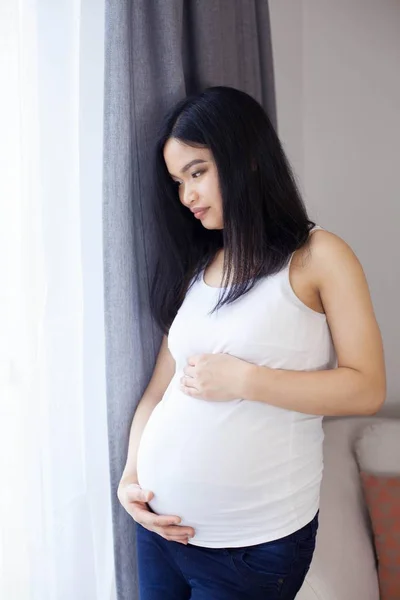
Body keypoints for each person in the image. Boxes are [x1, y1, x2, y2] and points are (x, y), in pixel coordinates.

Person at [117, 86, 386, 600]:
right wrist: (131, 480)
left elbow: (366, 388)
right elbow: (158, 393)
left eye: (197, 173)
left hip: (250, 549)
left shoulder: (319, 256)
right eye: (178, 182)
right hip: (159, 531)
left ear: (248, 159)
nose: (186, 196)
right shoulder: (199, 266)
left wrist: (246, 380)